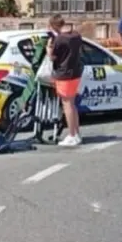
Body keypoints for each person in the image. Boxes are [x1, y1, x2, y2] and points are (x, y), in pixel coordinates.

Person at [47, 14, 83, 146]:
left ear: (53, 26)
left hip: (63, 74)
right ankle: (77, 133)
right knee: (72, 104)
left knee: (66, 104)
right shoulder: (76, 36)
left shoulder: (59, 40)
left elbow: (52, 57)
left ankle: (72, 135)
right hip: (75, 72)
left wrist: (48, 48)